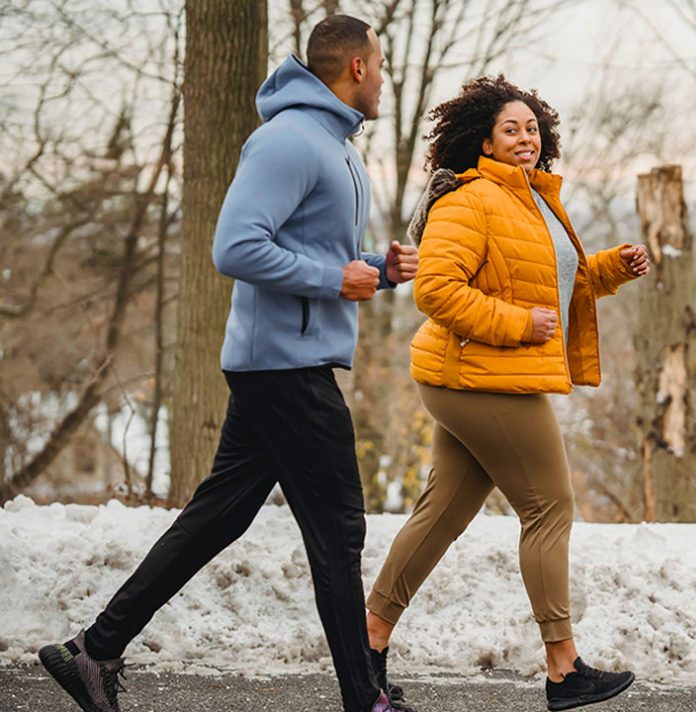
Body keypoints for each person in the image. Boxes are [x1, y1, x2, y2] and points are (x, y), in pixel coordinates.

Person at [36, 15, 416, 712]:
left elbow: (318, 253)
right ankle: (367, 701)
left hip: (290, 358)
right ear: (357, 68)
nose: (385, 79)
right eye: (382, 66)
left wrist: (377, 270)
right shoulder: (286, 141)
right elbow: (236, 248)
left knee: (221, 515)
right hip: (283, 365)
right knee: (339, 529)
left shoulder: (333, 145)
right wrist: (337, 280)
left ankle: (92, 651)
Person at [364, 76, 650, 712]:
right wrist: (519, 325)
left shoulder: (534, 202)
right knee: (550, 507)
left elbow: (551, 285)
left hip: (480, 376)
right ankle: (563, 667)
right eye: (510, 130)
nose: (525, 138)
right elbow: (435, 290)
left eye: (531, 128)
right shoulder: (470, 200)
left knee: (444, 512)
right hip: (484, 377)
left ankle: (367, 641)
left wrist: (612, 268)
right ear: (483, 141)